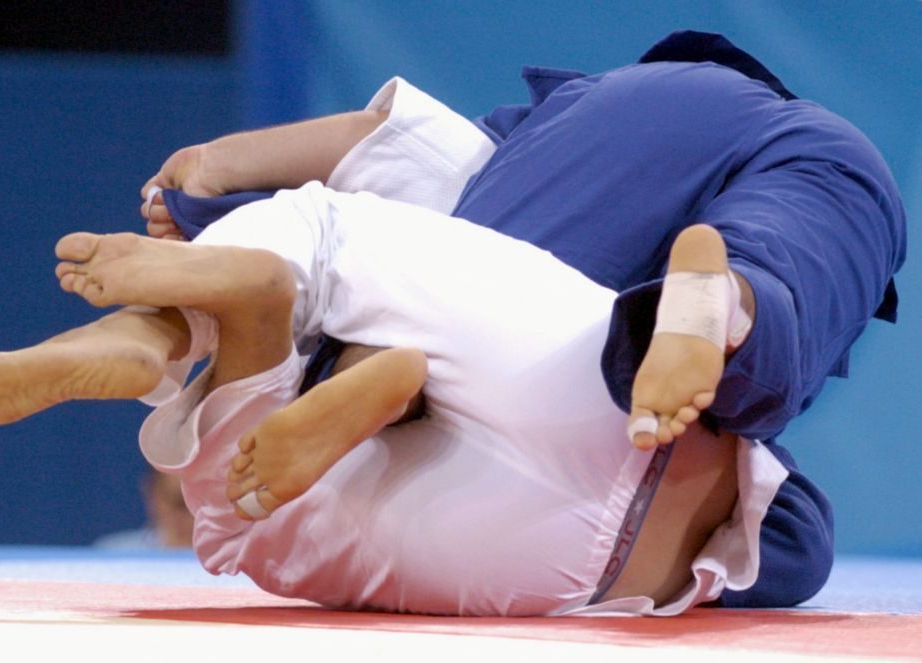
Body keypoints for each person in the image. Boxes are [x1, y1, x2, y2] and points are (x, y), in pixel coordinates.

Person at [140, 31, 906, 607]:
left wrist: (211, 174)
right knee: (782, 273)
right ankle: (727, 301)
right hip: (826, 176)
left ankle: (385, 381)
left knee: (462, 290)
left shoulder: (573, 107)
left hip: (600, 158)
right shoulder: (814, 144)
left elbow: (385, 148)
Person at [0, 181, 787, 616]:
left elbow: (375, 136)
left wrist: (227, 176)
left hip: (557, 471)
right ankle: (716, 310)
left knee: (323, 231)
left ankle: (176, 331)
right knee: (326, 228)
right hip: (605, 462)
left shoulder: (505, 166)